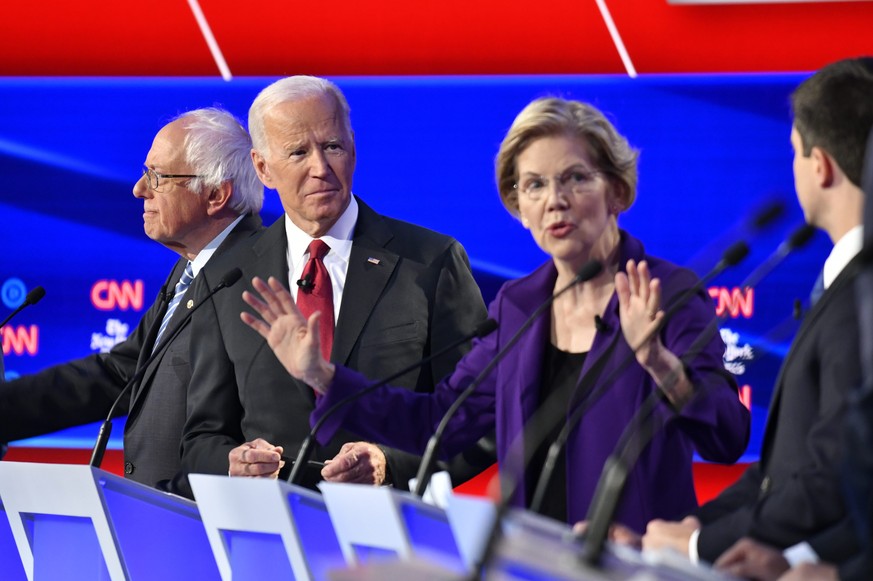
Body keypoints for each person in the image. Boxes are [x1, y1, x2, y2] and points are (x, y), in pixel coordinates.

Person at [239, 96, 750, 529]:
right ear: (518, 207)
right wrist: (321, 375)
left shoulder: (666, 293)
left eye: (575, 178)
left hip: (631, 563)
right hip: (528, 563)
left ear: (617, 189)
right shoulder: (519, 305)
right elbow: (441, 421)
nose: (556, 201)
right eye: (534, 186)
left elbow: (728, 438)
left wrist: (659, 363)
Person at [178, 76, 493, 491]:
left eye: (332, 147)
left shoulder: (431, 263)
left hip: (388, 536)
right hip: (270, 533)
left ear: (353, 147)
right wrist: (231, 463)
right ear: (262, 168)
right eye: (297, 152)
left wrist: (390, 465)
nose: (320, 169)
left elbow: (480, 424)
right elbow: (201, 438)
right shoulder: (226, 276)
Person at [642, 57, 873, 568]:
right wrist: (700, 527)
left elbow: (834, 472)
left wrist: (701, 548)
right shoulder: (843, 290)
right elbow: (781, 469)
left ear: (821, 166)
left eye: (793, 151)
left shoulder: (862, 296)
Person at [0, 108, 264, 488]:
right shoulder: (193, 269)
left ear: (216, 194)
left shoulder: (257, 278)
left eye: (157, 176)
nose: (139, 189)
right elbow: (123, 373)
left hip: (196, 526)